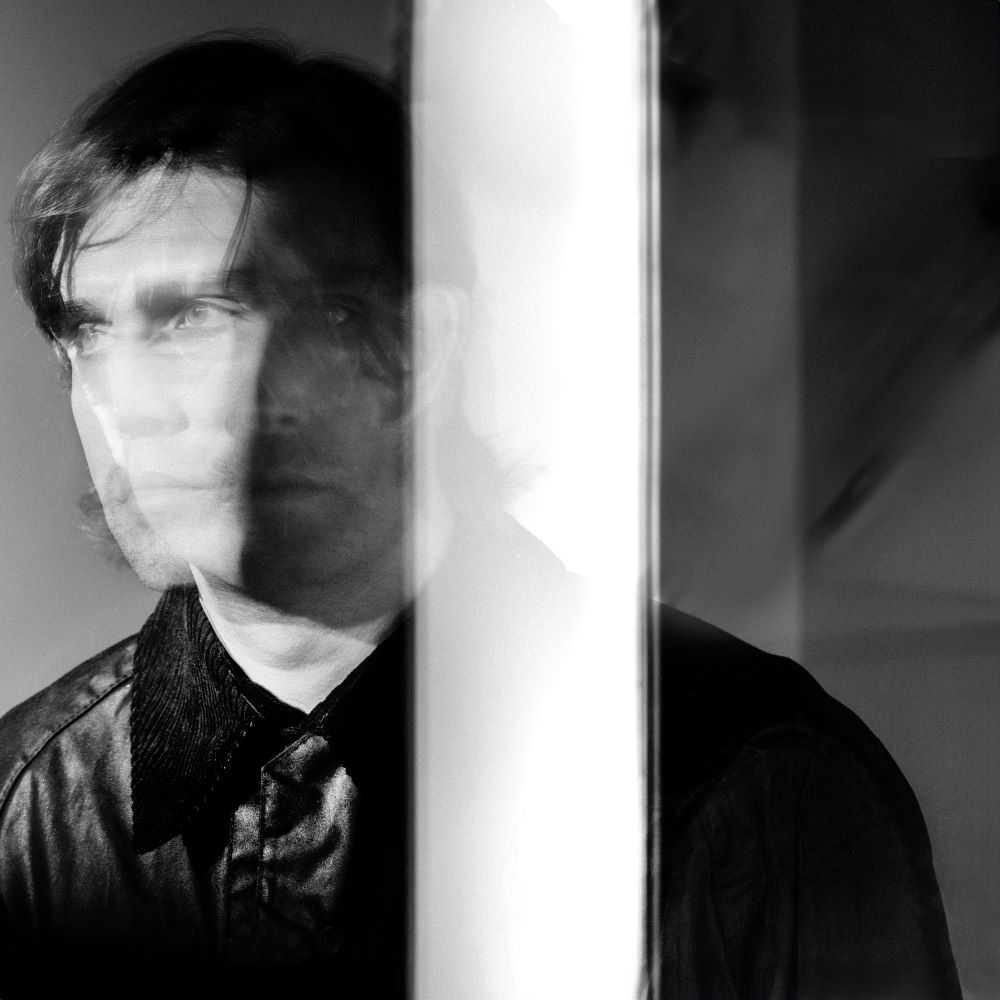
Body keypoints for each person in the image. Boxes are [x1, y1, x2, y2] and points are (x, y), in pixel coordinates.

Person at [0, 33, 960, 1000]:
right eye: (87, 334)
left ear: (412, 350)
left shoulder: (755, 785)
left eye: (196, 318)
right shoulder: (25, 807)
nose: (127, 403)